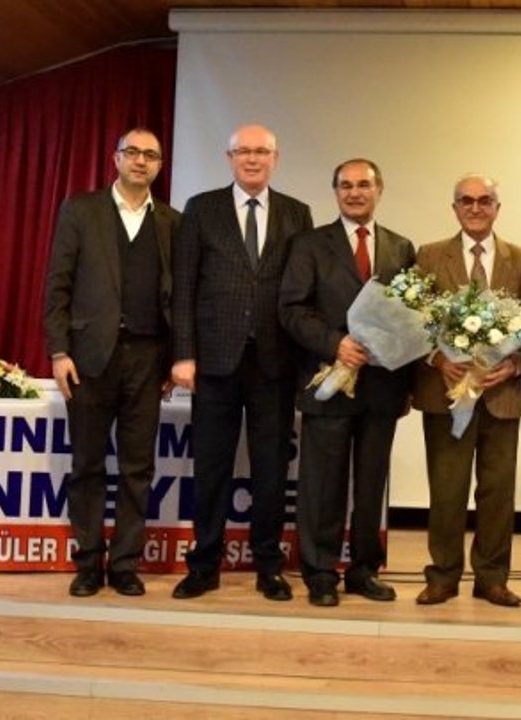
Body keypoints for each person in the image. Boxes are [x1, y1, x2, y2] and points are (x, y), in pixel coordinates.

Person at [170, 124, 314, 601]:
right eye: (243, 151)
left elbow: (303, 290)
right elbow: (184, 287)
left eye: (261, 152)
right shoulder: (201, 208)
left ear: (276, 158)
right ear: (229, 157)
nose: (252, 159)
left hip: (275, 362)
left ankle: (268, 566)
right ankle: (204, 564)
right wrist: (183, 354)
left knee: (271, 469)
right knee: (211, 467)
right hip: (214, 362)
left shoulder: (297, 213)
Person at [43, 128, 180, 598]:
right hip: (88, 358)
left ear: (159, 165)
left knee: (138, 468)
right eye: (132, 152)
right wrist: (59, 351)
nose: (140, 161)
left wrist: (174, 360)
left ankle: (124, 564)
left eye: (150, 155)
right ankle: (88, 562)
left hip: (148, 359)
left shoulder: (173, 222)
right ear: (116, 158)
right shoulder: (81, 211)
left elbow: (180, 297)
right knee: (87, 464)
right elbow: (57, 285)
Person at [279, 158, 415, 607]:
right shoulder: (309, 244)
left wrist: (407, 382)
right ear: (335, 192)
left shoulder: (401, 248)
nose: (355, 193)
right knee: (323, 485)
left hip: (382, 387)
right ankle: (320, 572)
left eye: (363, 185)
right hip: (329, 379)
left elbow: (413, 318)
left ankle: (363, 570)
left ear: (380, 189)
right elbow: (292, 309)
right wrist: (335, 343)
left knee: (371, 485)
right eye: (346, 186)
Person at [411, 174, 521, 607]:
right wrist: (438, 359)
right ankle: (443, 576)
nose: (476, 208)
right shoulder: (430, 256)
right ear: (455, 208)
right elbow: (414, 321)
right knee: (447, 491)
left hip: (501, 396)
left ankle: (492, 578)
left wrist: (514, 365)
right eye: (466, 201)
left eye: (485, 200)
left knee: (497, 493)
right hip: (447, 394)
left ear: (497, 208)